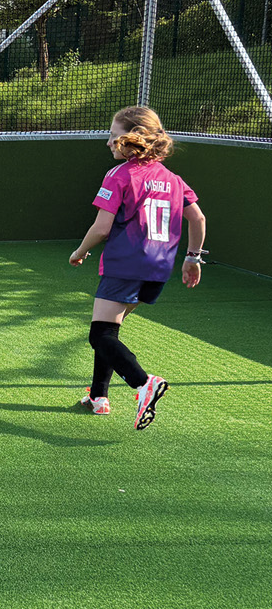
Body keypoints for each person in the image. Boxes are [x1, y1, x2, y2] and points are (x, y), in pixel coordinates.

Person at [70, 106, 206, 430]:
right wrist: (192, 258)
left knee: (100, 334)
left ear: (132, 140)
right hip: (158, 270)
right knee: (109, 331)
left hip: (124, 266)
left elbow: (102, 228)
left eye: (113, 136)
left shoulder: (119, 175)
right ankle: (98, 397)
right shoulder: (173, 179)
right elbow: (198, 219)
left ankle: (144, 382)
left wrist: (79, 252)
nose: (108, 143)